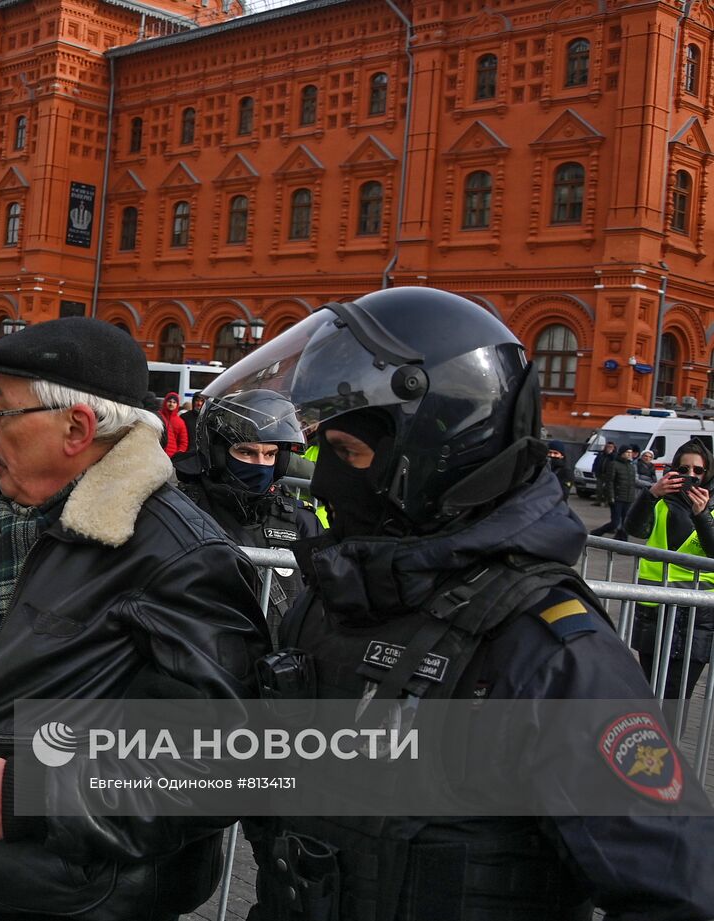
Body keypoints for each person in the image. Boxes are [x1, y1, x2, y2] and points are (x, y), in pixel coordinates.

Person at [221, 286, 714, 919]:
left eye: (346, 454)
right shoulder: (334, 599)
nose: (324, 479)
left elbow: (679, 893)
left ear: (431, 451)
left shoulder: (545, 646)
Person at [0, 317, 269, 921]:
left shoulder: (179, 557)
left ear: (76, 428)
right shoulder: (1, 517)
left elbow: (227, 761)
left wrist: (26, 798)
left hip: (85, 900)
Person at [173, 388, 322, 631]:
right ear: (219, 454)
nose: (260, 464)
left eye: (270, 454)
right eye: (246, 452)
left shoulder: (300, 521)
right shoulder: (183, 512)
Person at [624, 439, 714, 732]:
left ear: (708, 473)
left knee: (675, 702)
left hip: (695, 619)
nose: (691, 476)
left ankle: (670, 768)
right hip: (655, 612)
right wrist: (649, 495)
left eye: (698, 470)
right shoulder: (662, 502)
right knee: (650, 699)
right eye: (683, 468)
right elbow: (634, 529)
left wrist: (702, 516)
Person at [591, 443, 636, 540]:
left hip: (628, 498)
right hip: (617, 498)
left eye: (631, 453)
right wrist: (610, 497)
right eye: (627, 452)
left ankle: (622, 542)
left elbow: (633, 483)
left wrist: (634, 497)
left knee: (626, 522)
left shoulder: (631, 467)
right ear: (622, 453)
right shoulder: (614, 464)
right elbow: (609, 482)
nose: (629, 454)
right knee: (615, 523)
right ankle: (595, 534)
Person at [157, 391, 189, 456]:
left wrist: (177, 455)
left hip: (172, 457)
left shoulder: (180, 422)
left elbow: (183, 442)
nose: (171, 404)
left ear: (177, 404)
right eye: (169, 401)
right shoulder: (158, 416)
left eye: (174, 402)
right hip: (157, 453)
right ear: (165, 402)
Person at [593, 440, 617, 506]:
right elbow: (595, 463)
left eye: (611, 447)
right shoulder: (601, 454)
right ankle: (598, 501)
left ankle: (607, 501)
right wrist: (594, 470)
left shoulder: (614, 455)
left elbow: (615, 462)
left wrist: (611, 453)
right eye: (608, 447)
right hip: (600, 474)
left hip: (609, 475)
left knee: (607, 489)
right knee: (599, 489)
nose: (609, 448)